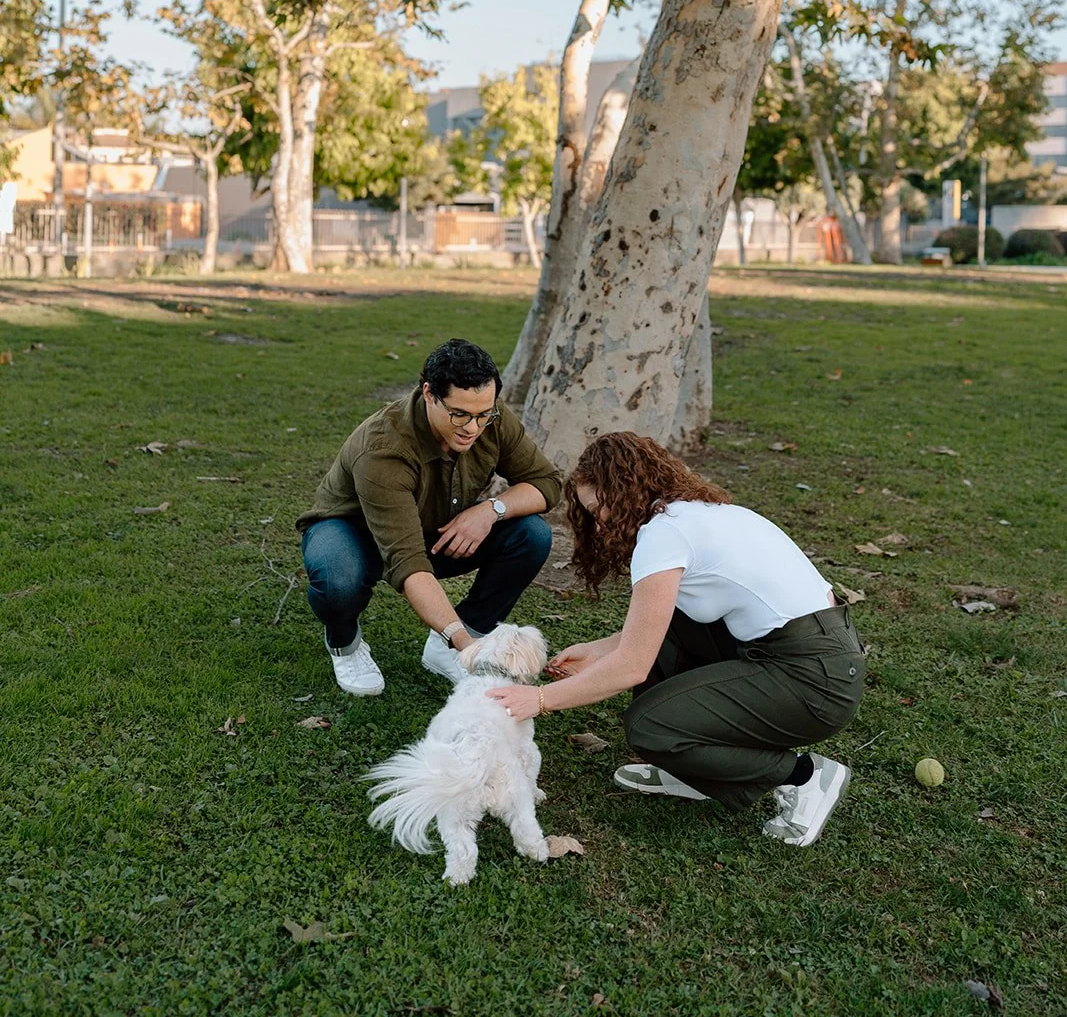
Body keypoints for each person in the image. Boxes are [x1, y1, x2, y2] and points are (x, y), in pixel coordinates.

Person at [488, 432, 865, 847]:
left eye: (600, 508)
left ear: (624, 490)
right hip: (821, 656)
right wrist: (596, 652)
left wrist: (539, 700)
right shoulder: (700, 512)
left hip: (814, 682)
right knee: (673, 636)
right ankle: (697, 774)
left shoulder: (662, 535)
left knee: (650, 727)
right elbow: (660, 628)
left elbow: (632, 665)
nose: (600, 522)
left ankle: (805, 777)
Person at [296, 338, 561, 697]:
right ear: (429, 394)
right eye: (460, 415)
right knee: (338, 578)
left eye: (484, 414)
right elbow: (408, 561)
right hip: (356, 536)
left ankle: (448, 646)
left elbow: (545, 483)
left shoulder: (488, 418)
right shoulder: (383, 449)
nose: (473, 427)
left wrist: (490, 510)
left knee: (531, 534)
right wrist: (466, 644)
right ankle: (345, 643)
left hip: (434, 532)